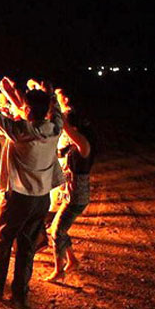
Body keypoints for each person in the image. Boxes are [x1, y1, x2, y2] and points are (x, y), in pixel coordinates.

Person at [0, 82, 64, 308]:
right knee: (26, 246)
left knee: (4, 243)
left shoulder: (22, 131)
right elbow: (58, 112)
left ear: (29, 111)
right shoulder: (54, 129)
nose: (21, 109)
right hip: (41, 198)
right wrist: (51, 94)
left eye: (24, 107)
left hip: (19, 198)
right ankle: (20, 293)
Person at [46, 100, 95, 281]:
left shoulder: (84, 146)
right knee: (59, 229)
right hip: (71, 195)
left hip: (77, 197)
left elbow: (66, 128)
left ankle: (59, 270)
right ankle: (72, 260)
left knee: (56, 230)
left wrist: (56, 111)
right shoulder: (75, 146)